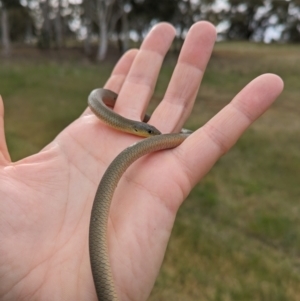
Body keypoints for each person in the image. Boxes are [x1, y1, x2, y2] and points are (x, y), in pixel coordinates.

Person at [0, 21, 283, 301]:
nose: (150, 134)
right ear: (138, 129)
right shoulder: (114, 117)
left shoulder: (132, 129)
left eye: (150, 133)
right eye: (148, 132)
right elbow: (103, 104)